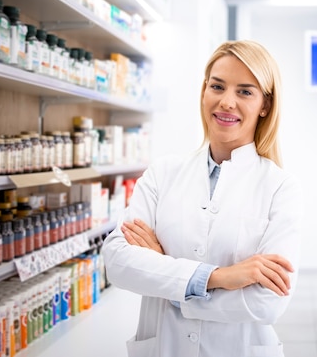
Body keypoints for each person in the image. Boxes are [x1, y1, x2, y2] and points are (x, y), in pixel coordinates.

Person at [102, 40, 303, 357]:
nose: (226, 102)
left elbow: (267, 302)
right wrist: (219, 277)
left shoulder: (280, 188)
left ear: (265, 104)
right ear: (204, 91)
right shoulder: (163, 173)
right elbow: (117, 262)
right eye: (217, 86)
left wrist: (165, 273)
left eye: (245, 91)